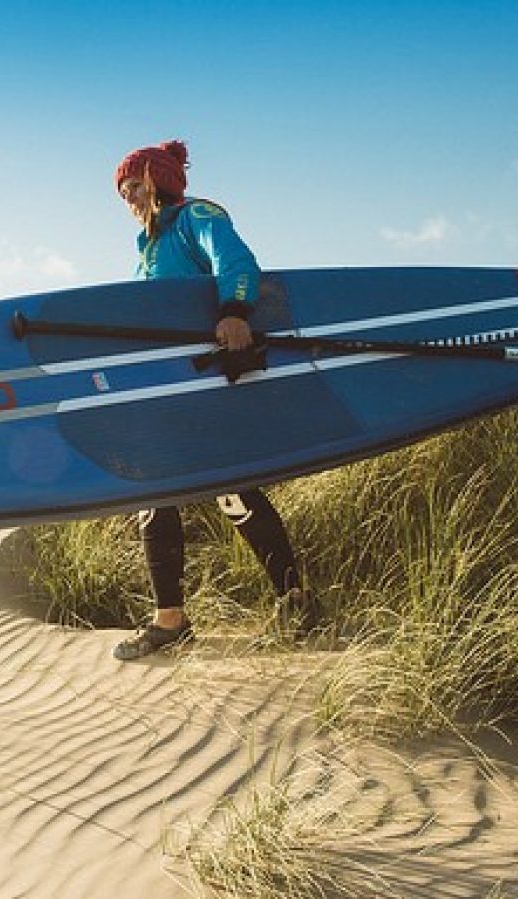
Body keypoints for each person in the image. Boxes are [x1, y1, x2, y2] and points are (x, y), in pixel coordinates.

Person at [110, 139, 315, 661]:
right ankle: (170, 621)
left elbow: (237, 259)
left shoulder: (194, 217)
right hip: (172, 388)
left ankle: (297, 602)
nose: (127, 197)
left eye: (132, 185)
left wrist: (235, 311)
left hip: (211, 379)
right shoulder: (148, 249)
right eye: (122, 191)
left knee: (232, 490)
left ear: (156, 179)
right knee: (158, 494)